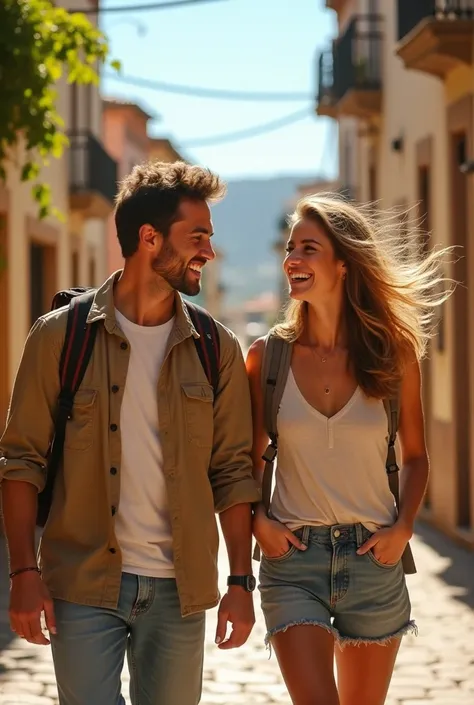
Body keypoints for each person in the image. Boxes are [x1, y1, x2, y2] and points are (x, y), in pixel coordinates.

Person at [0, 160, 261, 705]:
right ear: (149, 238)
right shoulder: (59, 337)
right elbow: (21, 460)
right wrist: (24, 570)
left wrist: (241, 582)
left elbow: (234, 472)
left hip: (179, 590)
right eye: (198, 237)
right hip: (82, 583)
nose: (208, 253)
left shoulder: (218, 350)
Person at [246, 194, 453, 705]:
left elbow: (416, 456)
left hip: (372, 561)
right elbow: (246, 459)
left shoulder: (393, 353)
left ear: (343, 263)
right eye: (290, 248)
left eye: (308, 248)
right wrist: (259, 521)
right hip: (293, 559)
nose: (292, 259)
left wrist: (403, 527)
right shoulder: (266, 357)